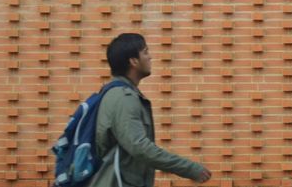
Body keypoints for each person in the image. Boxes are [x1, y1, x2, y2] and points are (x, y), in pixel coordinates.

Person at [87, 33, 212, 187]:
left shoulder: (121, 94)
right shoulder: (123, 98)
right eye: (145, 52)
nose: (150, 57)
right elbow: (140, 147)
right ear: (133, 61)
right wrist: (190, 168)